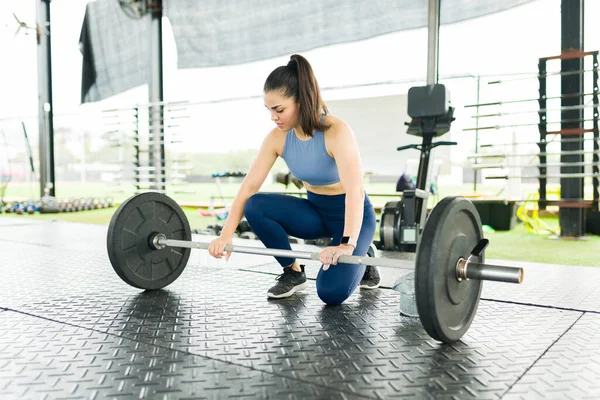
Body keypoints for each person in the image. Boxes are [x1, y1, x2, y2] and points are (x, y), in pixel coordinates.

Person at [207, 54, 379, 305]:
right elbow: (249, 187)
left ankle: (365, 254)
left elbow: (355, 191)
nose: (273, 117)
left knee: (330, 293)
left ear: (302, 101)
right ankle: (292, 272)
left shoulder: (336, 132)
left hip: (353, 217)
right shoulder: (278, 138)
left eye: (279, 109)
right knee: (255, 205)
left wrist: (347, 245)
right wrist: (226, 235)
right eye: (269, 110)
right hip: (315, 213)